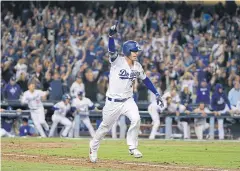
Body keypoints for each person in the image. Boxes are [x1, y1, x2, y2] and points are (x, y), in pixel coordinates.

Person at [89, 22, 164, 163]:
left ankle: (132, 147)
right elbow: (111, 50)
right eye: (135, 51)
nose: (137, 53)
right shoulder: (117, 61)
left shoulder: (137, 66)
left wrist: (157, 93)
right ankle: (93, 147)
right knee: (104, 128)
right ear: (128, 51)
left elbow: (146, 80)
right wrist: (111, 36)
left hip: (128, 100)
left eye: (137, 51)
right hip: (113, 102)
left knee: (136, 119)